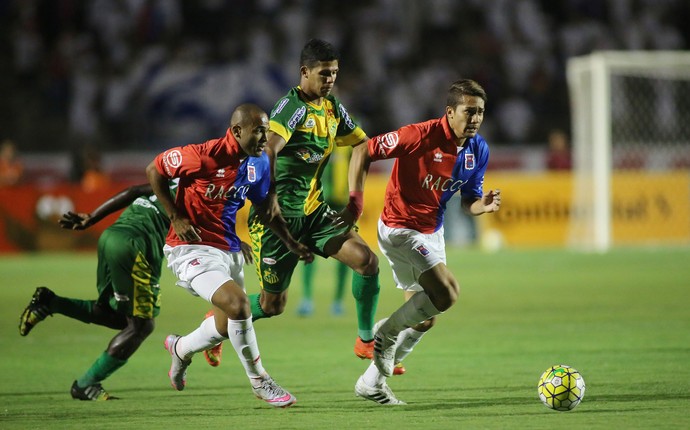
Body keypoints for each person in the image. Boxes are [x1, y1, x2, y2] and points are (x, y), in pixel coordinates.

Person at [337, 79, 501, 404]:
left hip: (431, 231)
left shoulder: (477, 149)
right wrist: (355, 202)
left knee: (425, 317)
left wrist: (484, 205)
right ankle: (384, 333)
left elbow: (470, 200)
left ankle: (371, 383)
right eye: (469, 112)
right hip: (399, 228)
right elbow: (363, 150)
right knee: (447, 292)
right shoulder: (419, 136)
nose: (476, 119)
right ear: (450, 112)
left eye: (480, 112)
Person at [146, 103, 313, 408]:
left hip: (229, 250)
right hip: (190, 248)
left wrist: (290, 242)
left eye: (267, 130)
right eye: (259, 130)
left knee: (224, 327)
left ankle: (181, 348)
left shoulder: (259, 163)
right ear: (237, 131)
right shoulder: (202, 155)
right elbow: (154, 170)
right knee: (238, 305)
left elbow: (265, 210)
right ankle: (261, 381)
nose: (266, 137)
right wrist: (175, 216)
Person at [246, 38, 381, 361]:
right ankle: (220, 319)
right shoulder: (292, 107)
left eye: (334, 73)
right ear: (304, 72)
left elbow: (362, 145)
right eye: (324, 73)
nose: (330, 79)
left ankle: (366, 341)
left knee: (366, 261)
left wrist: (355, 202)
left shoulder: (333, 108)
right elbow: (267, 149)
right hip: (278, 222)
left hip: (315, 213)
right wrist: (271, 197)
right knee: (272, 305)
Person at [18, 182, 176, 400]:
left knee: (121, 318)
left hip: (111, 237)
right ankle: (86, 383)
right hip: (135, 246)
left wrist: (91, 218)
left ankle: (51, 303)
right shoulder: (205, 191)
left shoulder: (175, 177)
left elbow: (134, 191)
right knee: (142, 325)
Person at [296, 144, 351, 317]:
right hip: (316, 203)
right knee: (308, 250)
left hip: (342, 204)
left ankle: (338, 301)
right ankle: (307, 299)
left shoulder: (351, 137)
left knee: (346, 254)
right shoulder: (316, 137)